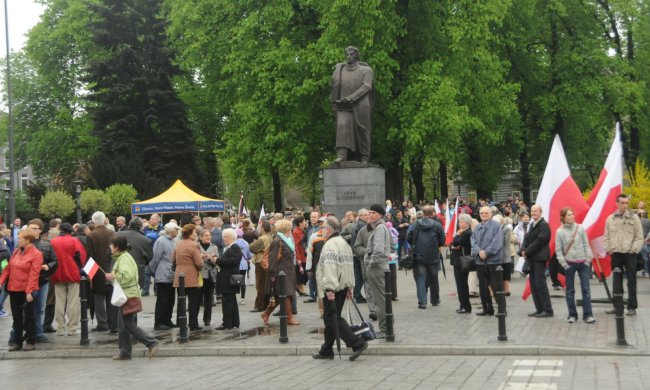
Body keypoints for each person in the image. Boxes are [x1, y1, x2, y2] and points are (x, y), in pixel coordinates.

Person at [312, 216, 368, 361]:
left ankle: (357, 343)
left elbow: (330, 268)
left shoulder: (330, 244)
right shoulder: (343, 243)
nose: (321, 230)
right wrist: (350, 286)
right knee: (329, 320)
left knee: (331, 317)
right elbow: (348, 267)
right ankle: (326, 350)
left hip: (333, 287)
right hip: (342, 286)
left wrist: (329, 289)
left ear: (329, 229)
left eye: (323, 227)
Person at [104, 235, 159, 360]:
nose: (110, 248)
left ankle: (151, 342)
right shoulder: (122, 257)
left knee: (127, 325)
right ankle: (125, 352)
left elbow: (126, 276)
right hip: (126, 294)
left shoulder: (124, 259)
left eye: (111, 246)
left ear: (117, 247)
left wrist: (113, 277)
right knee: (122, 325)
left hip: (127, 295)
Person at [0, 229, 43, 351]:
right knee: (16, 317)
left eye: (20, 239)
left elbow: (34, 275)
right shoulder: (17, 251)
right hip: (13, 288)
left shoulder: (36, 254)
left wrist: (29, 291)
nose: (17, 240)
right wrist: (1, 281)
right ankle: (17, 341)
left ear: (28, 240)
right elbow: (8, 268)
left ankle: (31, 340)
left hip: (26, 289)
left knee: (29, 316)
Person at [331, 46, 374, 163]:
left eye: (351, 54)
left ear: (357, 56)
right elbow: (335, 87)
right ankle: (342, 154)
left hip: (361, 104)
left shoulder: (366, 71)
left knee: (362, 129)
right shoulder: (340, 70)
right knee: (342, 127)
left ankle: (364, 156)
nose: (349, 57)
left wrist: (352, 97)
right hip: (343, 105)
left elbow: (367, 86)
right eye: (347, 54)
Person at [604, 194, 644, 316]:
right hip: (616, 254)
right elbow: (606, 236)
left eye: (626, 203)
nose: (624, 205)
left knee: (631, 281)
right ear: (617, 203)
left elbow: (639, 236)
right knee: (616, 281)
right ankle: (617, 306)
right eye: (622, 203)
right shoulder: (610, 219)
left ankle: (632, 307)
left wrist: (633, 250)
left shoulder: (634, 218)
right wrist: (609, 249)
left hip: (630, 254)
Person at [555, 207, 595, 324]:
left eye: (572, 214)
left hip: (583, 263)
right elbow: (558, 251)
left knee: (586, 290)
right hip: (569, 264)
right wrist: (564, 264)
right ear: (563, 217)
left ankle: (588, 315)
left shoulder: (580, 228)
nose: (572, 216)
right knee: (570, 291)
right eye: (569, 215)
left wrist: (588, 260)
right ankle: (572, 315)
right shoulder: (559, 232)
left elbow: (586, 245)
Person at [50, 223, 87, 336]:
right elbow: (82, 256)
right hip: (73, 272)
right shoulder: (74, 240)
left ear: (61, 230)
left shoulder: (53, 241)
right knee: (73, 301)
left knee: (60, 301)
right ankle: (72, 328)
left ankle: (60, 328)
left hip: (57, 272)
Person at [261, 219, 300, 326]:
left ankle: (266, 313)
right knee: (286, 295)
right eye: (290, 228)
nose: (291, 230)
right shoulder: (277, 241)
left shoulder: (287, 241)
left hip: (288, 272)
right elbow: (272, 259)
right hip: (281, 273)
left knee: (280, 297)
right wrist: (273, 274)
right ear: (287, 229)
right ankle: (289, 318)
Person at [407, 205, 445, 309]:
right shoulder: (437, 225)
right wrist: (437, 245)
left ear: (423, 213)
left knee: (420, 278)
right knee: (434, 278)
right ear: (432, 213)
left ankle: (422, 302)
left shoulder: (415, 224)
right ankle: (435, 300)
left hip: (419, 255)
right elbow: (442, 240)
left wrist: (415, 245)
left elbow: (408, 237)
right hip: (433, 255)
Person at [521, 204, 553, 318]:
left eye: (536, 211)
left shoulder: (544, 225)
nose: (533, 213)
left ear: (541, 212)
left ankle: (547, 309)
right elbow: (526, 238)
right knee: (534, 285)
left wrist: (527, 251)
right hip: (532, 258)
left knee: (540, 284)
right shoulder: (532, 224)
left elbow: (539, 241)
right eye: (532, 211)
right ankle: (539, 309)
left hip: (539, 258)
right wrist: (522, 250)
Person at [363, 204, 390, 338]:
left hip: (376, 268)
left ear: (380, 215)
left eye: (373, 212)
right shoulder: (381, 227)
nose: (370, 215)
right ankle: (386, 327)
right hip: (379, 267)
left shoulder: (379, 228)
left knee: (380, 300)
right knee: (382, 299)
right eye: (369, 212)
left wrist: (370, 263)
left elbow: (378, 250)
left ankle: (384, 329)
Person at [470, 206, 503, 316]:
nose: (483, 215)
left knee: (496, 287)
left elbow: (497, 242)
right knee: (483, 287)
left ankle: (502, 309)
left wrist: (486, 252)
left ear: (491, 214)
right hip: (480, 261)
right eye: (482, 213)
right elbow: (473, 241)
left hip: (493, 262)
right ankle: (487, 308)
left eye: (486, 213)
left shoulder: (496, 226)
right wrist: (479, 252)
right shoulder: (478, 226)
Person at [87, 211, 116, 333]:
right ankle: (112, 322)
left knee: (98, 298)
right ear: (105, 220)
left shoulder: (91, 235)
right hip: (111, 270)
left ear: (94, 221)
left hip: (97, 271)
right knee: (111, 298)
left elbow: (89, 256)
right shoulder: (113, 234)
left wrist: (89, 275)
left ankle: (102, 323)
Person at [172, 224, 204, 331]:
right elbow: (199, 263)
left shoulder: (178, 244)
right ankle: (193, 324)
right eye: (195, 232)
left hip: (179, 275)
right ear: (190, 233)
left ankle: (180, 322)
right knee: (193, 302)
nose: (196, 234)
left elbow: (173, 259)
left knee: (181, 301)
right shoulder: (194, 245)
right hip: (190, 275)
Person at [148, 222, 179, 330]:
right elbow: (156, 257)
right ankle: (159, 322)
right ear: (171, 230)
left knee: (171, 299)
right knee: (162, 300)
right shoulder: (161, 241)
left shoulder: (174, 241)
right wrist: (153, 271)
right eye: (176, 229)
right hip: (163, 274)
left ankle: (167, 319)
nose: (178, 231)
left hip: (172, 274)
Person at [214, 228, 242, 330]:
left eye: (226, 237)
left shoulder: (235, 247)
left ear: (231, 237)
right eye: (224, 237)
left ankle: (227, 323)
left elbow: (234, 261)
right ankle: (234, 321)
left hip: (230, 278)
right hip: (226, 278)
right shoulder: (227, 248)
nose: (224, 239)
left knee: (228, 301)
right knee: (231, 300)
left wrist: (217, 260)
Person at [116, 217, 153, 290]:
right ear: (141, 226)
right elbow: (149, 258)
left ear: (129, 225)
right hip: (137, 273)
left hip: (120, 271)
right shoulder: (145, 240)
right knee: (134, 298)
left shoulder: (117, 234)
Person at [450, 214, 473, 314]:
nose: (460, 224)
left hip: (462, 262)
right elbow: (452, 244)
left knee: (462, 284)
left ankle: (465, 306)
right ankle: (463, 305)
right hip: (458, 261)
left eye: (462, 222)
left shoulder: (467, 233)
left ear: (467, 223)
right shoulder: (462, 232)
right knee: (460, 284)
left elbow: (455, 242)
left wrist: (457, 235)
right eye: (459, 222)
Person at [249, 221, 272, 312]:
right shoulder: (270, 236)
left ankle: (259, 305)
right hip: (267, 262)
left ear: (262, 228)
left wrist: (253, 244)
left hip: (261, 262)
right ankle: (265, 304)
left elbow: (252, 247)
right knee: (266, 285)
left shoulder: (263, 238)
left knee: (260, 285)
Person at [198, 228, 218, 327]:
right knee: (197, 298)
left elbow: (217, 262)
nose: (208, 237)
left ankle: (207, 319)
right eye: (206, 236)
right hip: (199, 275)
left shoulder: (214, 247)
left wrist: (211, 259)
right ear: (201, 237)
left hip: (210, 276)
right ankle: (194, 320)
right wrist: (200, 257)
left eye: (209, 235)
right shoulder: (196, 247)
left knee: (208, 299)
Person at [142, 213, 163, 296]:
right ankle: (145, 289)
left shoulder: (162, 228)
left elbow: (158, 238)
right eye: (150, 219)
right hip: (148, 253)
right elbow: (144, 238)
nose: (150, 220)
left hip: (157, 253)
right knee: (146, 272)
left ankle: (156, 290)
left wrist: (150, 236)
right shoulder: (146, 228)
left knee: (156, 273)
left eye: (153, 219)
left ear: (158, 220)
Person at [292, 216, 308, 296]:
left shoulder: (303, 231)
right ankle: (300, 289)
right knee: (300, 274)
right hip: (301, 257)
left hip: (304, 257)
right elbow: (296, 246)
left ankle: (300, 289)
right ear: (300, 223)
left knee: (302, 275)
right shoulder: (296, 232)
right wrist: (298, 258)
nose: (305, 223)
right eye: (304, 221)